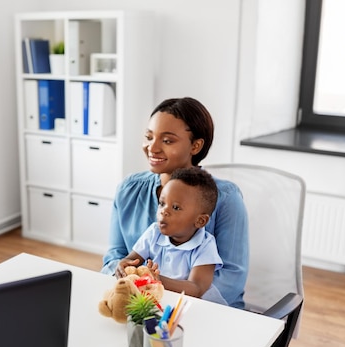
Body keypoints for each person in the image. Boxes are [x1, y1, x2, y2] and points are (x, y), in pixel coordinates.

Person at [102, 97, 248, 308]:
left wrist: (160, 297)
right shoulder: (128, 189)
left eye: (167, 140)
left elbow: (231, 279)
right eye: (149, 137)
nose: (152, 148)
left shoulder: (226, 197)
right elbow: (114, 257)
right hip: (136, 304)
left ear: (196, 146)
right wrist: (124, 276)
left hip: (201, 311)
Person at [117, 167, 222, 299]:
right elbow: (132, 260)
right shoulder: (154, 232)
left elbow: (197, 288)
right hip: (159, 299)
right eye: (162, 203)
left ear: (200, 220)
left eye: (176, 207)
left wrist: (158, 279)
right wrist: (124, 264)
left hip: (193, 307)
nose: (163, 211)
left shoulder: (205, 245)